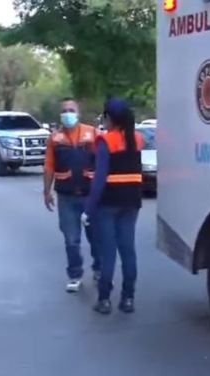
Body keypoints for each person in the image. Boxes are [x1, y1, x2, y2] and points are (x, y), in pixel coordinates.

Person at [84, 98, 145, 314]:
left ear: (110, 118)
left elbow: (99, 180)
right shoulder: (137, 139)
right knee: (128, 250)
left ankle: (104, 300)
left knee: (108, 252)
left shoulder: (105, 141)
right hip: (131, 202)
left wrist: (88, 210)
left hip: (108, 204)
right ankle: (128, 299)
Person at [43, 97, 102, 292]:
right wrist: (47, 191)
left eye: (71, 110)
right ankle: (75, 275)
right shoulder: (55, 138)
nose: (67, 114)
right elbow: (49, 166)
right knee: (71, 240)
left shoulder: (93, 134)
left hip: (90, 196)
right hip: (66, 197)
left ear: (78, 113)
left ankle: (99, 268)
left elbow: (104, 164)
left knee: (96, 237)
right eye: (64, 111)